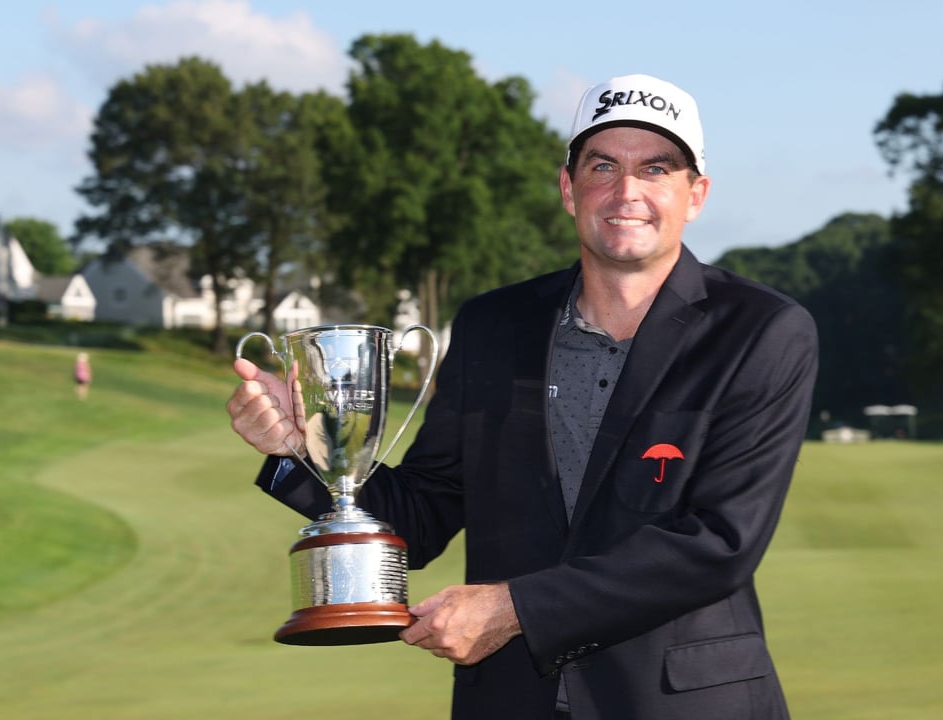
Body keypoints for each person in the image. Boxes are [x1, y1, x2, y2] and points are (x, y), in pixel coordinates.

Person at [226, 73, 818, 720]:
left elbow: (718, 544)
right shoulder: (491, 326)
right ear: (569, 189)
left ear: (695, 194)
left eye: (656, 169)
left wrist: (513, 609)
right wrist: (301, 447)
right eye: (602, 166)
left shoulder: (760, 330)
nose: (627, 192)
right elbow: (421, 516)